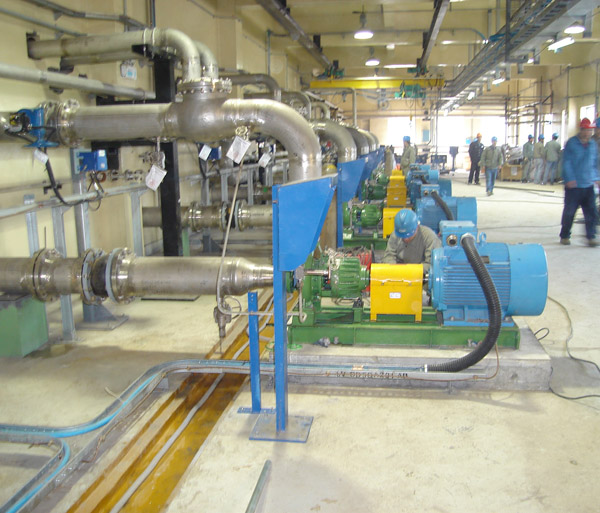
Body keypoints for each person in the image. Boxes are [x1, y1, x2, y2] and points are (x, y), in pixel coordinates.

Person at [559, 118, 599, 247]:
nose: (588, 133)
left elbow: (595, 163)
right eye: (585, 130)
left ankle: (591, 237)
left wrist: (597, 177)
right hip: (574, 186)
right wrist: (569, 178)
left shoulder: (593, 144)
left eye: (590, 130)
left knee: (591, 212)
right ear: (581, 130)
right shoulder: (571, 143)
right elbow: (566, 162)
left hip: (588, 185)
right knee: (569, 212)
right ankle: (565, 235)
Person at [382, 209, 441, 274]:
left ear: (417, 227)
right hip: (398, 273)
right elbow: (389, 256)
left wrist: (410, 271)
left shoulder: (429, 238)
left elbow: (432, 264)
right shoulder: (395, 235)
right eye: (402, 236)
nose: (405, 239)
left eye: (409, 235)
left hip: (421, 275)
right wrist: (394, 269)